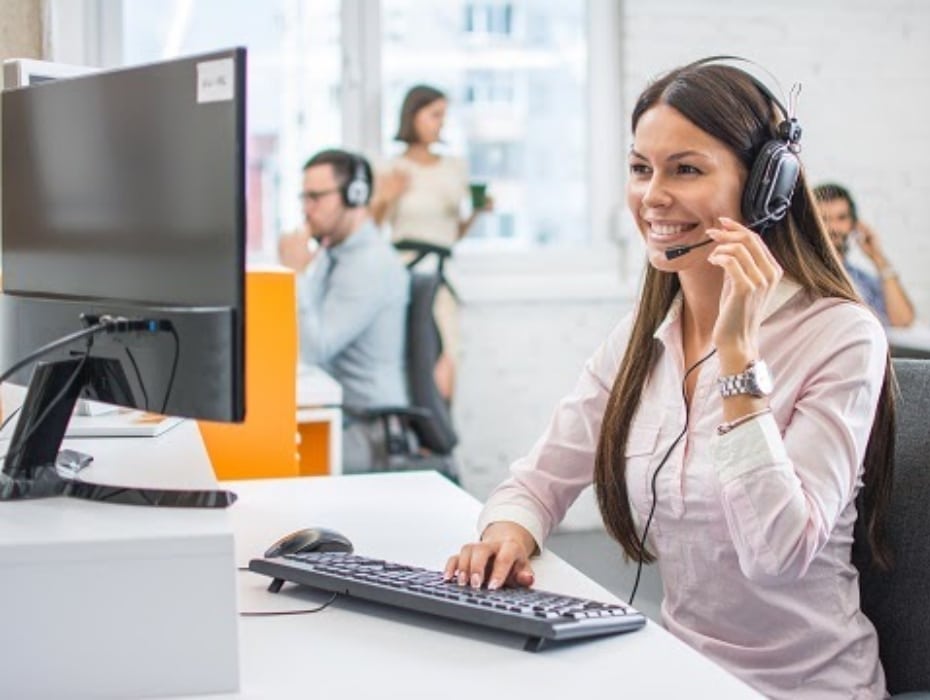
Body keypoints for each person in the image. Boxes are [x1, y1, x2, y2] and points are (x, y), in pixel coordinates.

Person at [444, 60, 895, 699]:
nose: (652, 196)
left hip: (805, 690)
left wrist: (737, 360)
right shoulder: (644, 335)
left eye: (685, 169)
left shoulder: (841, 336)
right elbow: (537, 482)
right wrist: (507, 536)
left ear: (768, 186)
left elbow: (778, 556)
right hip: (678, 676)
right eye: (640, 168)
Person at [278, 149, 410, 473]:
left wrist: (295, 275)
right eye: (303, 198)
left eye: (316, 198)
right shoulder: (333, 254)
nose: (306, 210)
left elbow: (314, 349)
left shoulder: (371, 265)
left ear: (356, 195)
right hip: (341, 415)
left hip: (368, 431)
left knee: (276, 465)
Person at [370, 84, 492, 402]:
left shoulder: (455, 167)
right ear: (413, 117)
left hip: (441, 274)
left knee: (448, 354)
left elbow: (451, 235)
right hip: (403, 272)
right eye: (434, 115)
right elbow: (371, 229)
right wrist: (385, 197)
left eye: (443, 116)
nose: (441, 123)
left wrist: (477, 211)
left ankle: (437, 435)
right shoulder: (392, 168)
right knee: (407, 354)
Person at [814, 182, 915, 327]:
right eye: (824, 219)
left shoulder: (862, 280)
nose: (833, 228)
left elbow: (903, 319)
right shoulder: (801, 275)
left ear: (854, 224)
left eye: (841, 218)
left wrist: (877, 258)